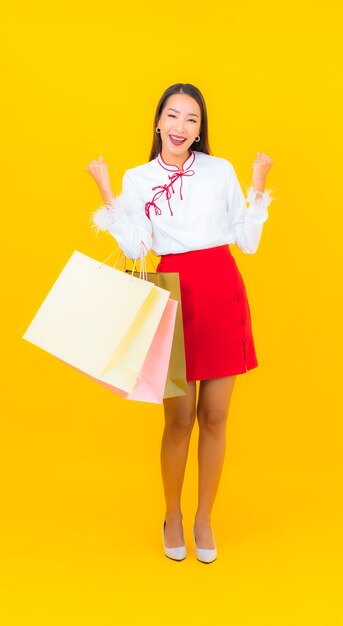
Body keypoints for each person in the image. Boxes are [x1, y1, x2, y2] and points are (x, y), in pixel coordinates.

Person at [86, 83, 274, 563]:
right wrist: (107, 192)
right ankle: (172, 513)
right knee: (179, 418)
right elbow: (134, 248)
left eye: (192, 119)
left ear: (199, 129)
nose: (181, 126)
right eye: (173, 116)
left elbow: (246, 243)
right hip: (172, 291)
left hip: (221, 290)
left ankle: (204, 518)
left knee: (215, 415)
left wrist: (256, 188)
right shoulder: (139, 177)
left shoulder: (220, 171)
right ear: (158, 122)